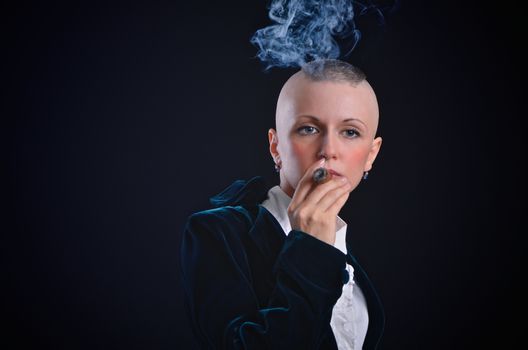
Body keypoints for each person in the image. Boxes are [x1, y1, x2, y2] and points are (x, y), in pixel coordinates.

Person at [180, 59, 385, 349]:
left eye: (350, 132)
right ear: (276, 146)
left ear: (371, 155)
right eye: (308, 129)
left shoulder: (356, 257)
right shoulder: (217, 233)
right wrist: (311, 248)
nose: (328, 150)